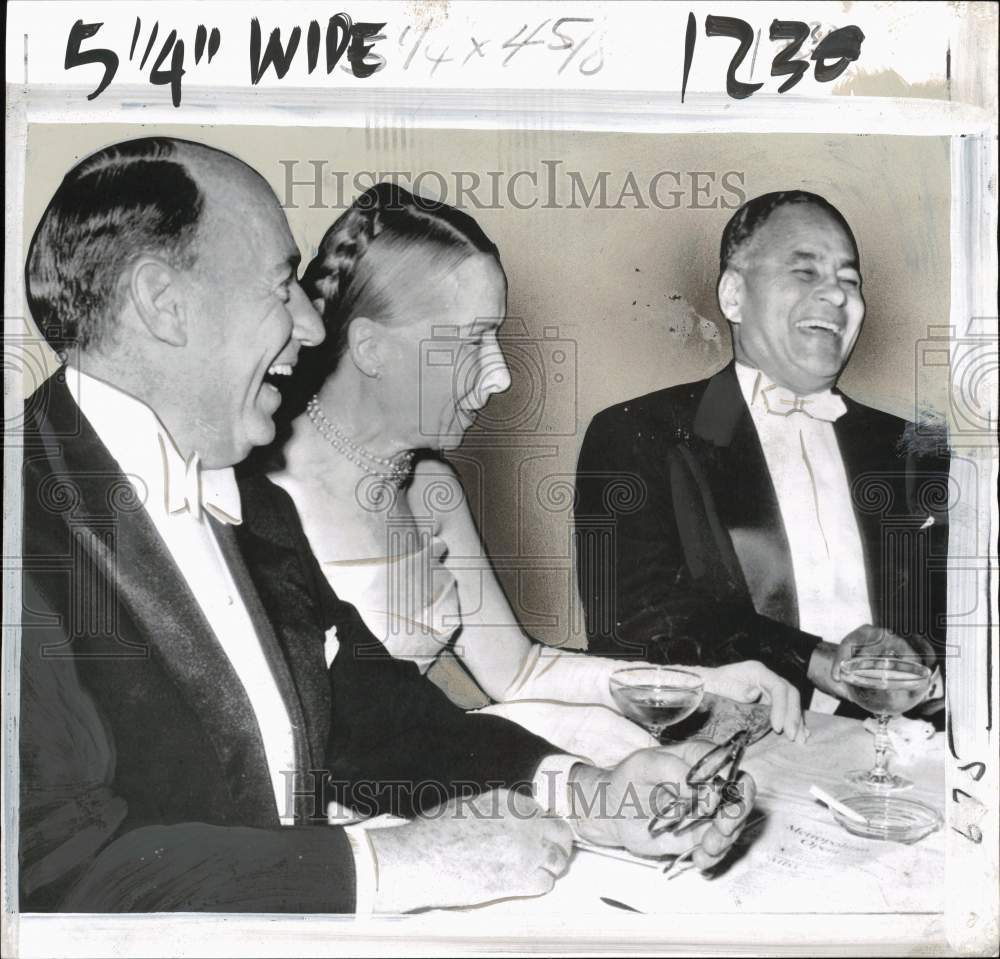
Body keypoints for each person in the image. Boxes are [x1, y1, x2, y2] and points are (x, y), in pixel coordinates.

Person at [19, 137, 756, 915]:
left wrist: (584, 787)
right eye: (281, 287)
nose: (310, 325)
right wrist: (390, 862)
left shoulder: (247, 499)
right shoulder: (20, 522)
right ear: (165, 304)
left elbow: (363, 709)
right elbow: (55, 873)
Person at [261, 183, 805, 766]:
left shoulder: (429, 485)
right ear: (371, 348)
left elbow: (517, 671)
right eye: (473, 340)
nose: (501, 378)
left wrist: (704, 682)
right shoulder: (260, 496)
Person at [575, 191, 948, 717]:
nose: (838, 297)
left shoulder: (919, 452)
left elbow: (965, 615)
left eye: (849, 280)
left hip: (907, 750)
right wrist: (814, 659)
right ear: (733, 296)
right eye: (805, 272)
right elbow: (635, 627)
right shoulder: (639, 434)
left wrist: (920, 656)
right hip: (732, 749)